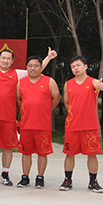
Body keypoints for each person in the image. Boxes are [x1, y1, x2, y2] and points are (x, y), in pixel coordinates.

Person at [0, 34, 55, 186]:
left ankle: (5, 175)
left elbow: (36, 69)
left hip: (9, 118)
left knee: (7, 148)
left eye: (8, 58)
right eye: (3, 58)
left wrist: (48, 58)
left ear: (12, 61)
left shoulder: (17, 74)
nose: (5, 60)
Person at [60, 55, 103, 193]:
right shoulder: (68, 84)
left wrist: (100, 85)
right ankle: (67, 180)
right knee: (69, 154)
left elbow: (98, 85)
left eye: (78, 65)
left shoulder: (92, 82)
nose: (76, 68)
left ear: (85, 66)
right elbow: (67, 103)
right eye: (73, 66)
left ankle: (93, 181)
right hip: (72, 125)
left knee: (92, 154)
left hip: (90, 125)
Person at [16, 55, 60, 188]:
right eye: (30, 66)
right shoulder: (21, 82)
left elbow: (56, 98)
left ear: (41, 67)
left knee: (42, 152)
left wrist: (46, 109)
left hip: (42, 125)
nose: (33, 68)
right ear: (26, 67)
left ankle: (40, 177)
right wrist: (26, 109)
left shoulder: (49, 81)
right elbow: (19, 99)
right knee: (25, 152)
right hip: (26, 124)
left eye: (36, 66)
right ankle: (25, 177)